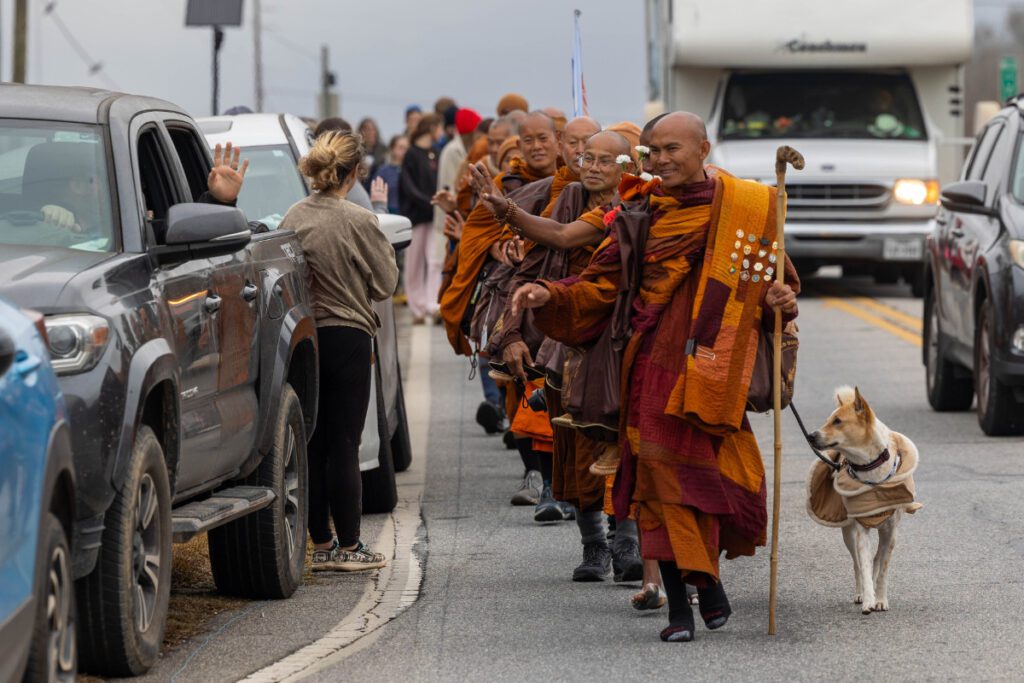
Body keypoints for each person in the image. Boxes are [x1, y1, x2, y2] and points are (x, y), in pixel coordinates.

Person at [502, 112, 800, 642]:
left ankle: (705, 587)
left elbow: (772, 284)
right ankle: (684, 609)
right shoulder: (637, 213)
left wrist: (780, 302)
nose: (660, 160)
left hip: (716, 369)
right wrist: (552, 294)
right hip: (652, 368)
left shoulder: (748, 210)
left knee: (704, 481)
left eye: (672, 149)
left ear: (704, 148)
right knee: (660, 481)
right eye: (653, 151)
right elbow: (599, 286)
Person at [280, 130, 399, 572]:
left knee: (311, 440)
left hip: (305, 338)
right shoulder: (358, 220)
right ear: (355, 173)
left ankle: (321, 543)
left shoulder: (293, 216)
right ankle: (351, 546)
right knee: (345, 442)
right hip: (349, 334)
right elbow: (386, 283)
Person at [399, 112, 445, 324]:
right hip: (417, 216)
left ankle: (432, 304)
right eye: (439, 128)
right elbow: (408, 187)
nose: (441, 132)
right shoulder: (411, 154)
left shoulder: (436, 152)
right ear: (431, 128)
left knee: (434, 260)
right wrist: (428, 201)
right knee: (414, 263)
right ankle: (417, 307)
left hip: (434, 216)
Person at [372, 135, 408, 215]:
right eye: (400, 148)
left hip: (408, 213)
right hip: (389, 212)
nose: (404, 151)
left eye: (406, 148)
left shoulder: (411, 171)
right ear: (392, 149)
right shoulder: (383, 171)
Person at [357, 117, 388, 183]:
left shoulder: (383, 149)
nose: (370, 132)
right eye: (367, 129)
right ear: (361, 132)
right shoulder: (356, 149)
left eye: (373, 129)